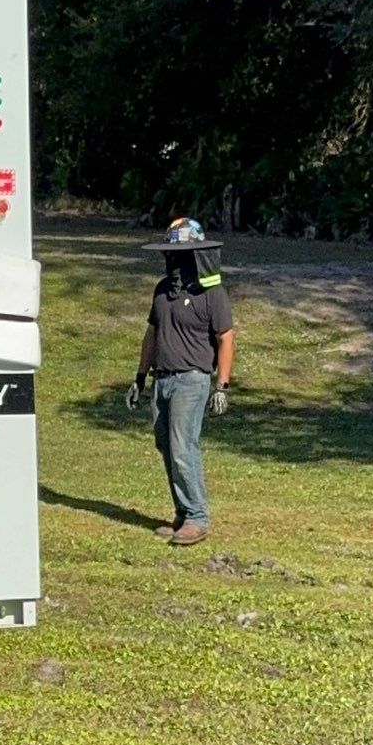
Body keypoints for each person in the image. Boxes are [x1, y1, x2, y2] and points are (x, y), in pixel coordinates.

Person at [125, 216, 235, 547]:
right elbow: (152, 333)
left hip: (192, 380)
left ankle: (197, 518)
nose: (172, 260)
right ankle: (183, 513)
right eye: (170, 254)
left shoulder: (212, 293)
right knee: (165, 444)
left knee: (183, 447)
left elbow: (226, 337)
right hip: (163, 379)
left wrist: (222, 386)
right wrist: (140, 377)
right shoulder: (162, 290)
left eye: (180, 254)